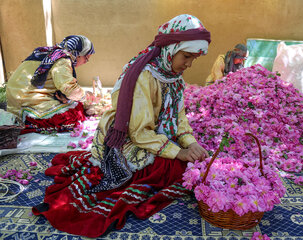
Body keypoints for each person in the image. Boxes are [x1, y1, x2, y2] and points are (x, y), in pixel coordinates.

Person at [32, 14, 211, 238]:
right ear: (170, 48)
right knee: (170, 170)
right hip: (128, 138)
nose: (189, 64)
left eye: (193, 59)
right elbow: (138, 132)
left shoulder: (174, 78)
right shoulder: (144, 76)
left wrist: (190, 143)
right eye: (186, 56)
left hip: (151, 135)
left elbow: (179, 117)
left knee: (187, 164)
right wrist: (179, 152)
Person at [6, 35, 95, 133]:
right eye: (86, 58)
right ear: (78, 54)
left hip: (14, 103)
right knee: (76, 112)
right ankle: (30, 122)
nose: (86, 62)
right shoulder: (62, 59)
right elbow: (71, 90)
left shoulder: (47, 52)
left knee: (72, 103)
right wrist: (86, 97)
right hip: (29, 106)